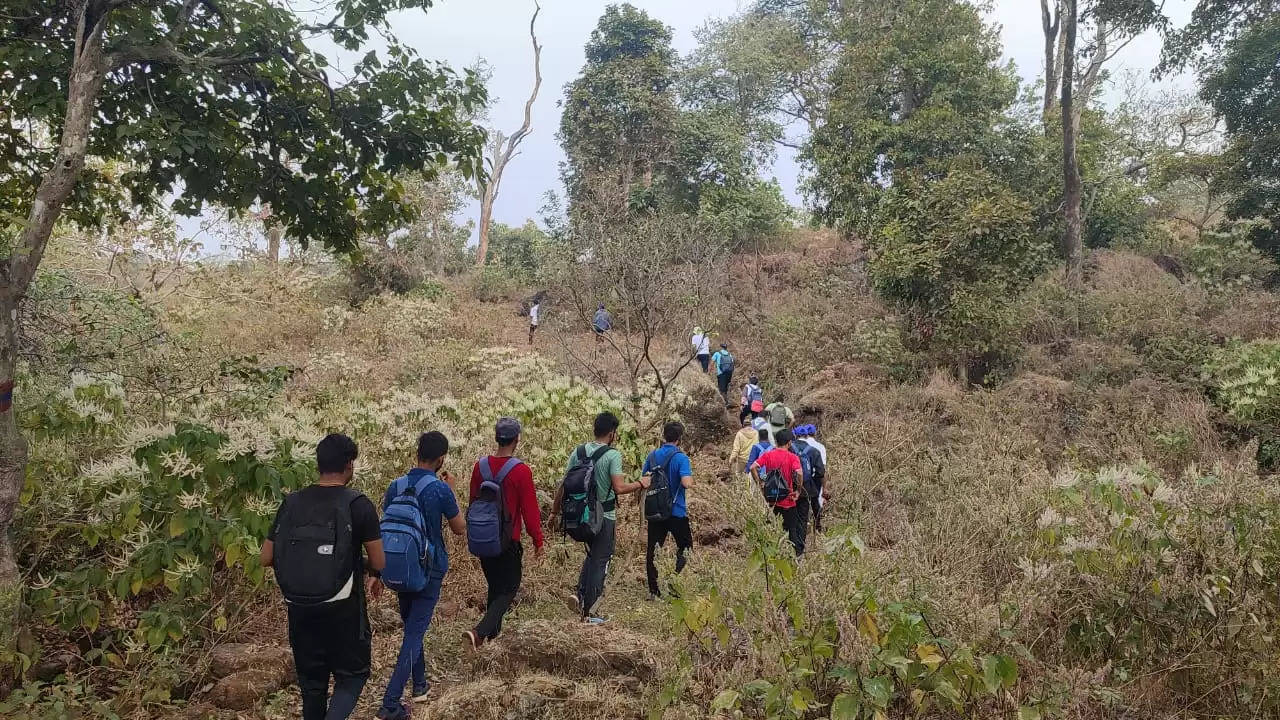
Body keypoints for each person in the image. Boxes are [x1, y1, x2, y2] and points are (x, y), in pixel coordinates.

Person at [261, 434, 384, 720]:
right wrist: (364, 566)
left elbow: (265, 557)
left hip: (300, 609)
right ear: (349, 465)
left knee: (312, 685)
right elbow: (379, 560)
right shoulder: (358, 504)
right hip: (343, 610)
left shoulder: (291, 504)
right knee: (352, 676)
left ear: (318, 464)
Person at [376, 432, 465, 719]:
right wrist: (451, 491)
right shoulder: (439, 490)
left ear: (417, 453)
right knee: (414, 633)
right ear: (441, 459)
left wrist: (377, 572)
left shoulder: (396, 485)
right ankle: (390, 703)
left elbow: (386, 528)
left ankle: (420, 686)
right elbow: (459, 527)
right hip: (430, 568)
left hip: (399, 566)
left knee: (412, 629)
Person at [552, 412, 648, 624]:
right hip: (604, 516)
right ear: (612, 433)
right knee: (600, 560)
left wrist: (553, 512)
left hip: (579, 516)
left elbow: (563, 484)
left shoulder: (578, 452)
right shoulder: (613, 455)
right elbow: (619, 487)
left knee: (591, 556)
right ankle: (590, 612)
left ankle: (579, 595)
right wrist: (641, 483)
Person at [465, 418, 544, 651]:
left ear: (496, 437)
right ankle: (479, 633)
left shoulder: (480, 467)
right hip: (508, 541)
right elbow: (530, 511)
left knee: (496, 588)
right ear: (517, 439)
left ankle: (492, 642)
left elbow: (472, 501)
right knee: (509, 589)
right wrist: (538, 541)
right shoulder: (520, 471)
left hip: (484, 538)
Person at [642, 421, 694, 600]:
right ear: (679, 439)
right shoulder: (681, 458)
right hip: (676, 511)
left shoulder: (652, 456)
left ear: (664, 436)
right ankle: (673, 580)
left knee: (653, 550)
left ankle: (653, 591)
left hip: (656, 511)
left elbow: (644, 480)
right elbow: (686, 483)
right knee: (686, 546)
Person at [750, 428, 807, 555]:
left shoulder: (769, 455)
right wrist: (798, 490)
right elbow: (799, 473)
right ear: (789, 443)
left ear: (776, 441)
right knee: (792, 529)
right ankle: (796, 555)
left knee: (774, 528)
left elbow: (753, 467)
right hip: (788, 499)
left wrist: (760, 484)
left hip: (772, 499)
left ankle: (774, 554)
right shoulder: (792, 457)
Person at [790, 427, 826, 534]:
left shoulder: (789, 448)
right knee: (803, 516)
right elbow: (821, 472)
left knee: (791, 514)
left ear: (795, 436)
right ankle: (801, 540)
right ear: (807, 436)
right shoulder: (814, 451)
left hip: (791, 487)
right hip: (806, 489)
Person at [711, 343, 735, 408]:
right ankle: (725, 401)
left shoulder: (717, 353)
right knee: (725, 387)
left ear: (721, 347)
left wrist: (710, 370)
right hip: (729, 373)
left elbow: (712, 362)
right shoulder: (729, 354)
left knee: (721, 389)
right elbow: (733, 364)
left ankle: (725, 403)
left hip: (721, 373)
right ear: (726, 348)